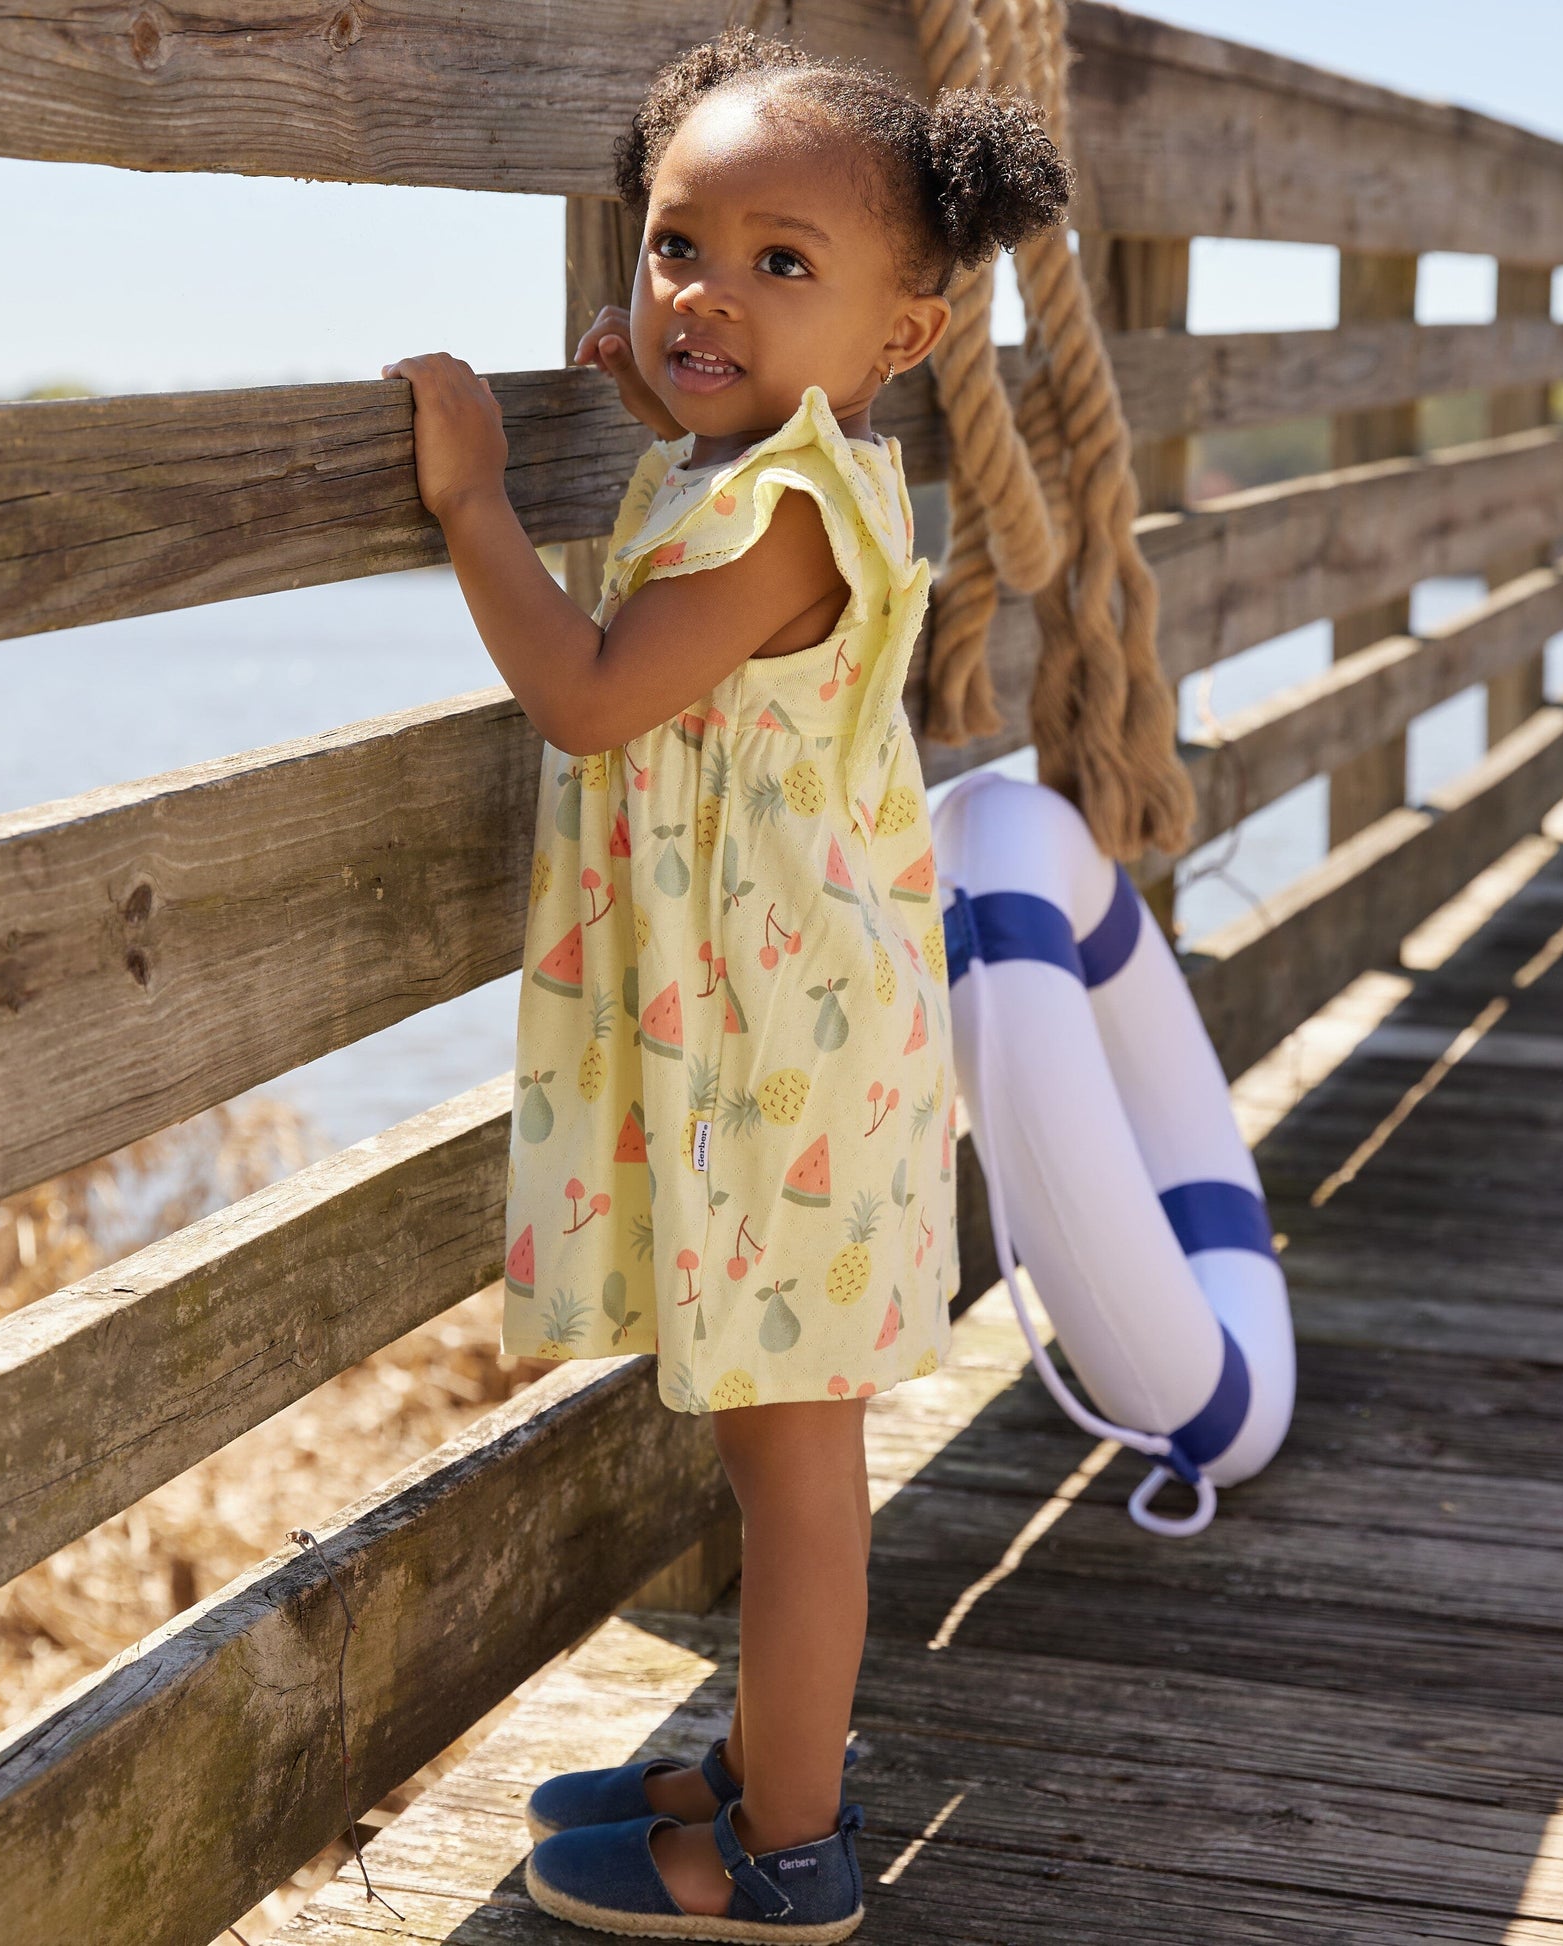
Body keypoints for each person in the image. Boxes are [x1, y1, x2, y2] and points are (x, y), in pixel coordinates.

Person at [384, 29, 1070, 1939]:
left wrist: (471, 508)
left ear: (904, 336)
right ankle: (775, 1768)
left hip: (786, 1062)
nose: (704, 292)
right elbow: (703, 541)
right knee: (783, 1451)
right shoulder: (778, 472)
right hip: (787, 1040)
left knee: (792, 1476)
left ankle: (784, 1854)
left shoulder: (780, 520)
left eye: (784, 265)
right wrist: (664, 394)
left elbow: (599, 691)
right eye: (675, 244)